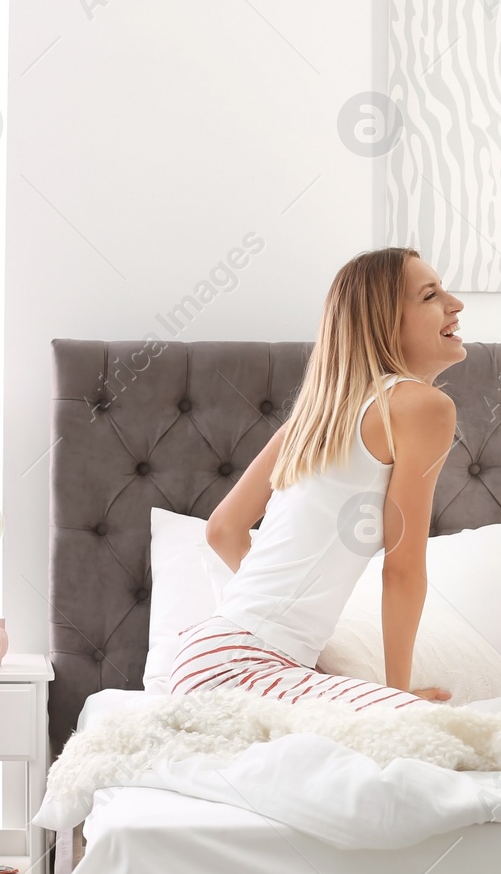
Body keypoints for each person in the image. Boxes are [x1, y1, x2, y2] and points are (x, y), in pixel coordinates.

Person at [169, 247, 461, 711]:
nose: (455, 304)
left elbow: (222, 529)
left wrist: (288, 639)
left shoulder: (313, 420)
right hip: (245, 664)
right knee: (423, 726)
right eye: (430, 296)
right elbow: (403, 570)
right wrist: (397, 696)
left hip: (204, 656)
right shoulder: (422, 408)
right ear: (384, 322)